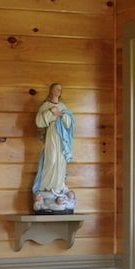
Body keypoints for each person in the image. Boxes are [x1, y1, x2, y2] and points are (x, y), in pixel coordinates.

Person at [32, 83, 77, 213]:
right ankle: (45, 188)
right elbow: (39, 121)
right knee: (50, 160)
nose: (58, 91)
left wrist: (62, 115)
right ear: (51, 90)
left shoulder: (63, 106)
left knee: (60, 161)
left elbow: (70, 122)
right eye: (56, 88)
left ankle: (58, 188)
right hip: (51, 135)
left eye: (60, 89)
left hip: (62, 139)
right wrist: (51, 113)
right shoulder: (46, 106)